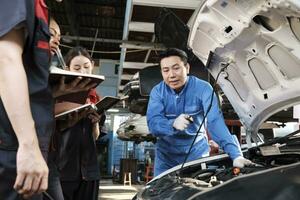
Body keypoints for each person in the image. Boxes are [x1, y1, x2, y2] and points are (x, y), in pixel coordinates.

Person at [146, 48, 252, 176]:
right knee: (162, 193)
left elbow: (215, 122)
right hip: (166, 157)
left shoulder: (204, 89)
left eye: (176, 68)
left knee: (196, 191)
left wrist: (236, 155)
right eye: (166, 70)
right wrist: (172, 124)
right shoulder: (157, 92)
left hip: (196, 155)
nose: (171, 75)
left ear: (187, 68)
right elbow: (153, 124)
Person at [52, 46, 103, 200]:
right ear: (67, 68)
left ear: (92, 66)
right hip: (64, 169)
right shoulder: (57, 95)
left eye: (86, 67)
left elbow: (95, 137)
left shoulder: (96, 98)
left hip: (89, 172)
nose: (82, 71)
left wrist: (95, 123)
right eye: (77, 67)